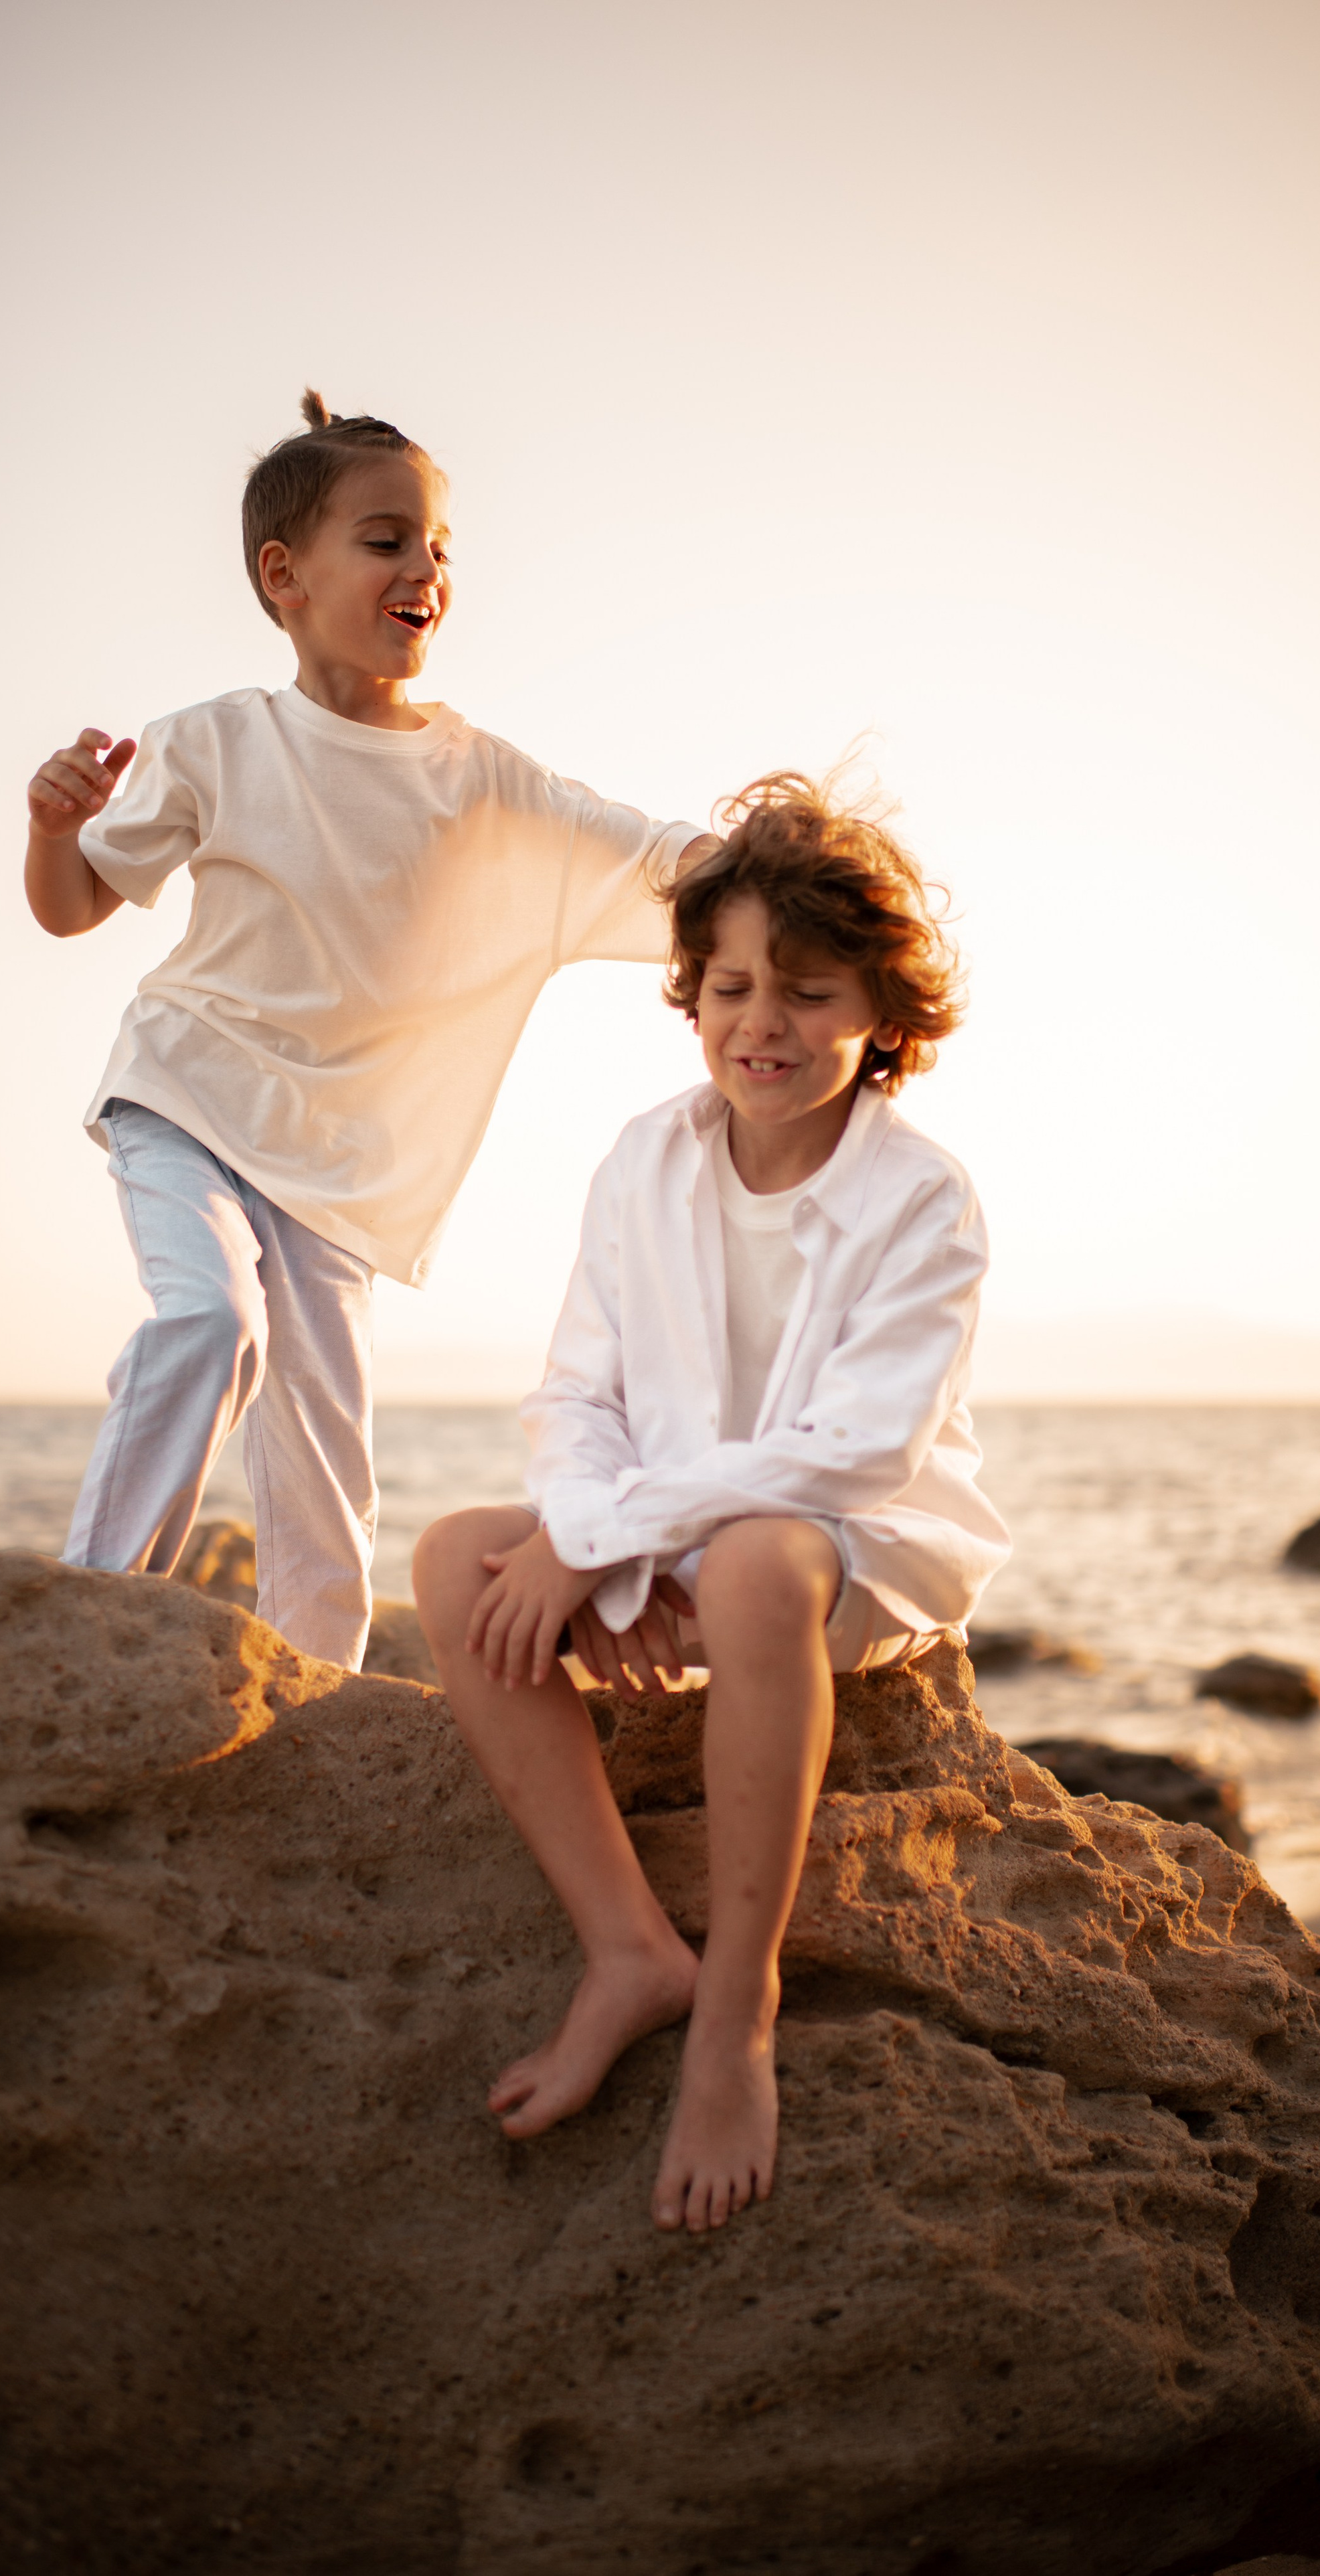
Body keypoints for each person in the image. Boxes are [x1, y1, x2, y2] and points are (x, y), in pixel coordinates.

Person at [24, 393, 716, 1670]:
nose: (427, 571)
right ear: (284, 577)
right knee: (210, 1324)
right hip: (185, 1098)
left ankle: (314, 1704)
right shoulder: (218, 742)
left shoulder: (481, 777)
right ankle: (90, 1615)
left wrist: (776, 862)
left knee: (328, 1480)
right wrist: (53, 828)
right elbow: (73, 909)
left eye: (441, 548)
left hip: (337, 1172)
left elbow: (654, 853)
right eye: (389, 540)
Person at [413, 771, 1010, 2233]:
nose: (762, 1021)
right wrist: (581, 1547)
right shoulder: (644, 1161)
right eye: (731, 984)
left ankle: (734, 2012)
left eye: (807, 991)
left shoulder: (921, 1201)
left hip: (844, 1556)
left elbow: (849, 1455)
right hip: (667, 1534)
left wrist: (603, 1542)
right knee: (447, 1561)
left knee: (752, 1566)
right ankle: (629, 1952)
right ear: (688, 995)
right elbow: (574, 1397)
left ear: (880, 1015)